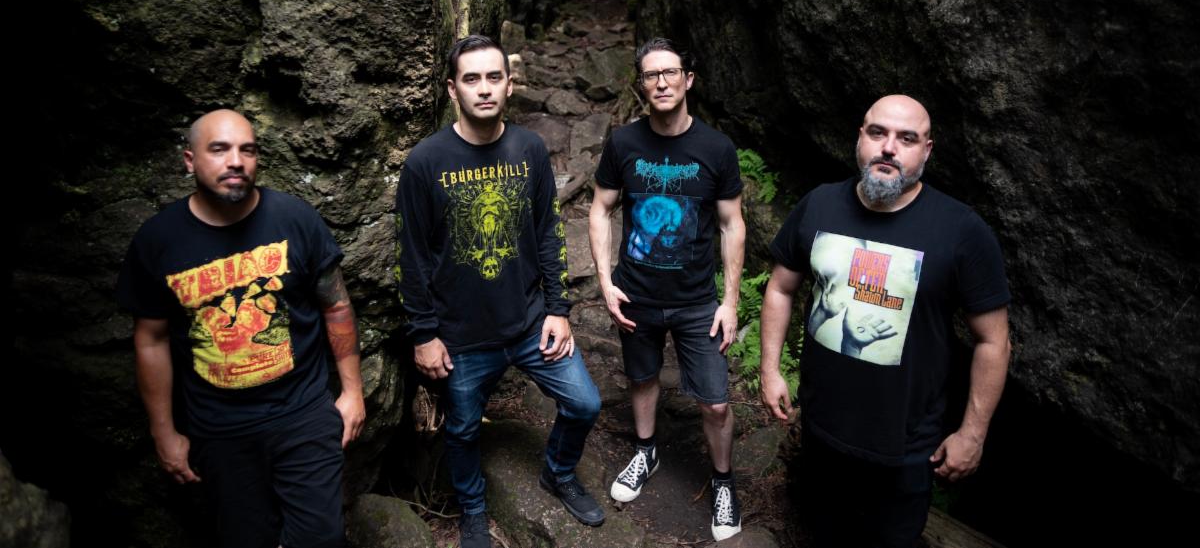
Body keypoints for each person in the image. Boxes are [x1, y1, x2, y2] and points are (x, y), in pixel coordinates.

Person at [760, 94, 1011, 548]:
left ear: (927, 150)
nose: (889, 148)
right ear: (860, 138)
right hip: (820, 427)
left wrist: (972, 434)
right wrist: (770, 369)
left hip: (905, 447)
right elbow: (780, 288)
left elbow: (994, 341)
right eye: (878, 133)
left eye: (907, 138)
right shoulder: (820, 205)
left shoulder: (961, 231)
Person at [118, 109, 365, 548]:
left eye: (247, 150)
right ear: (190, 160)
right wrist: (163, 431)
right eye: (220, 150)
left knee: (322, 538)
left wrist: (352, 392)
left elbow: (336, 306)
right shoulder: (158, 240)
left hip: (302, 413)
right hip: (219, 428)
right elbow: (151, 340)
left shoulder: (294, 218)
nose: (236, 161)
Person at [395, 35, 604, 548]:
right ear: (453, 89)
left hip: (531, 323)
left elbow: (549, 233)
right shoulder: (425, 162)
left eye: (494, 77)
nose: (484, 89)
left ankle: (558, 472)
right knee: (463, 429)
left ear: (509, 85)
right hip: (461, 337)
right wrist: (424, 334)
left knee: (584, 404)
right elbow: (412, 257)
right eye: (472, 79)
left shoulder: (529, 149)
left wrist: (558, 310)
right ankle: (472, 509)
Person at [589, 37, 746, 541]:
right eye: (651, 75)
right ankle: (645, 451)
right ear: (641, 85)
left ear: (688, 80)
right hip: (636, 293)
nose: (661, 82)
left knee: (715, 402)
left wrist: (730, 301)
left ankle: (723, 482)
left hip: (697, 300)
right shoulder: (623, 143)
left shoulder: (716, 148)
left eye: (670, 72)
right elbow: (601, 209)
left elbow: (732, 224)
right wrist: (605, 281)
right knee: (642, 378)